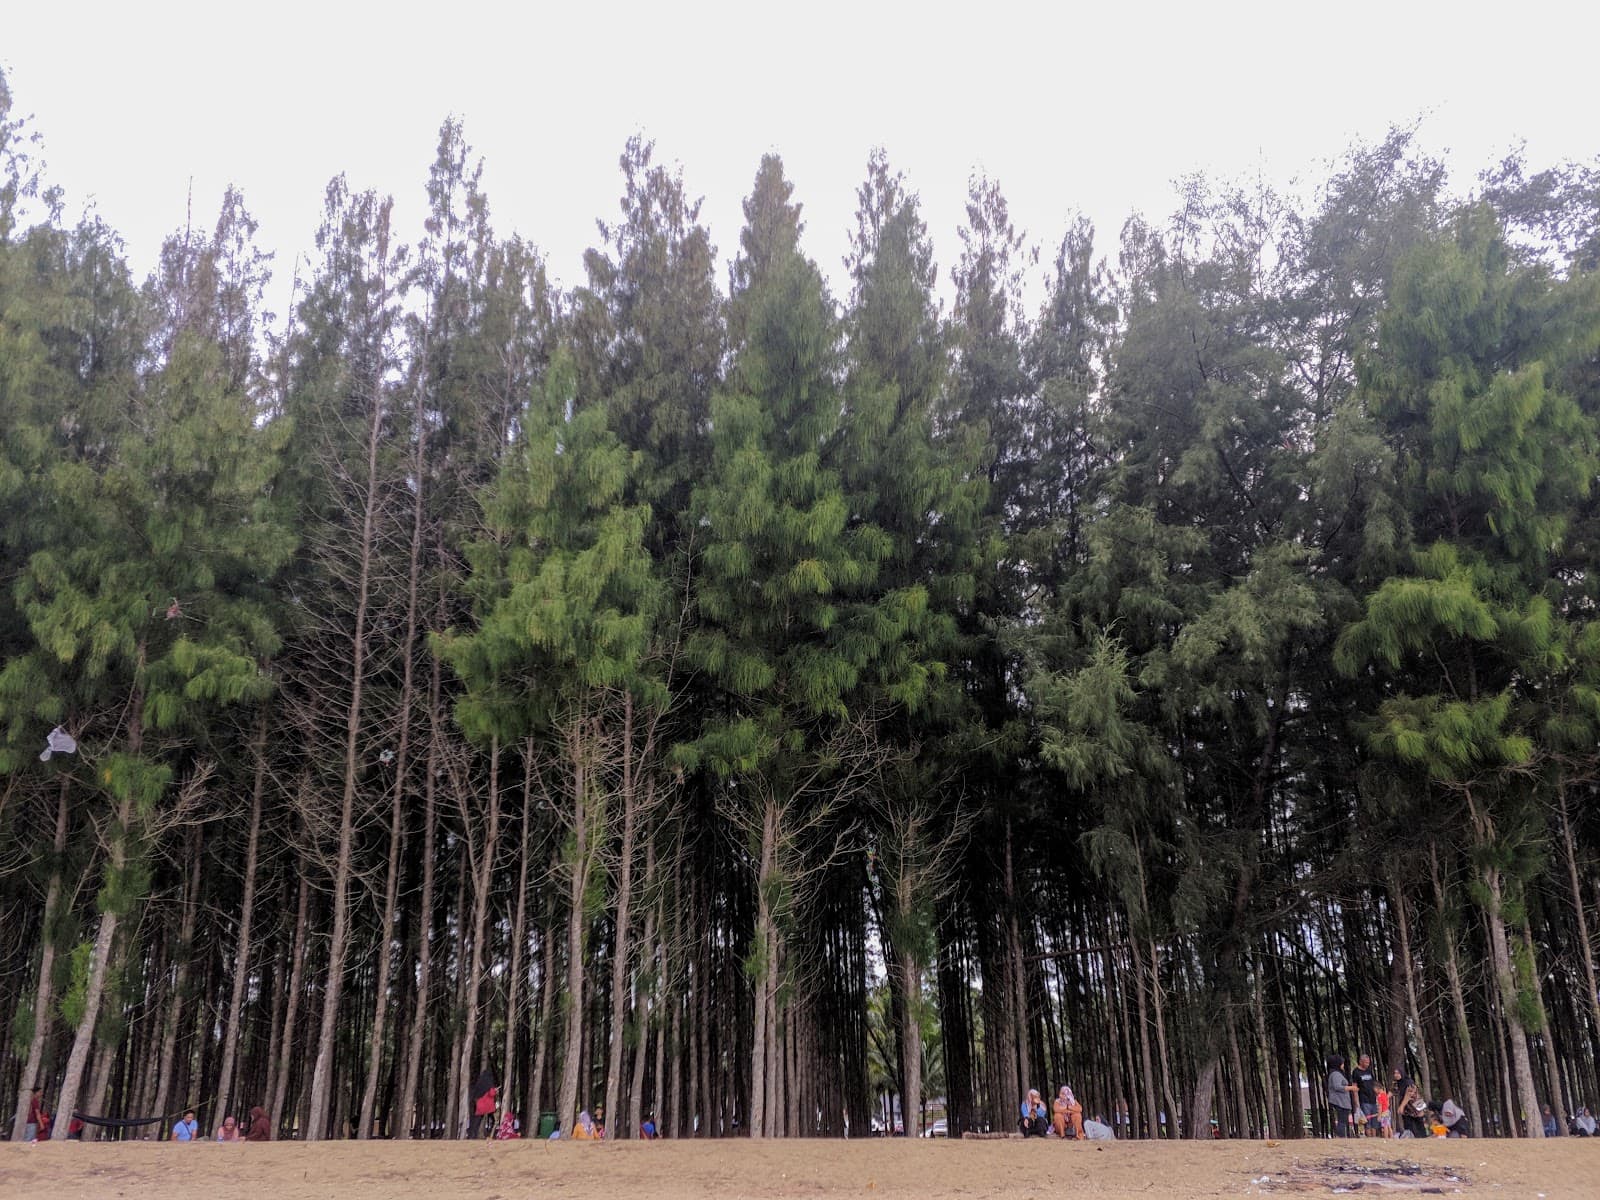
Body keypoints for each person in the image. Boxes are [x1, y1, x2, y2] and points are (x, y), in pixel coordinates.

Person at [1326, 1055, 1357, 1138]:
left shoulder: (1336, 1073)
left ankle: (1341, 1136)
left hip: (1342, 1101)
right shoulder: (1335, 1074)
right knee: (1342, 1120)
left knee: (1343, 1120)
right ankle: (1341, 1137)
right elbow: (1337, 1086)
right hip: (1339, 1101)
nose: (1343, 1065)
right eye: (1342, 1063)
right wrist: (1351, 1088)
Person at [1392, 1069, 1428, 1139]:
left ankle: (1423, 1138)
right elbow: (1392, 1091)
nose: (1396, 1075)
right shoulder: (1397, 1083)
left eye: (1398, 1073)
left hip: (1415, 1103)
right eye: (1395, 1073)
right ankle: (1410, 1138)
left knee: (1419, 1123)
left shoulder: (1409, 1082)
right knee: (1407, 1123)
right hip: (1407, 1106)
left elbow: (1409, 1096)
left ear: (1402, 1073)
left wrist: (1401, 1106)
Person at [1350, 1055, 1381, 1135]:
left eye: (1368, 1062)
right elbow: (1355, 1087)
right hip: (1364, 1100)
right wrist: (1356, 1102)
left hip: (1373, 1099)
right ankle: (1369, 1138)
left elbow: (1374, 1084)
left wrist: (1378, 1095)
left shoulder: (1369, 1071)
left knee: (1374, 1121)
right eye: (1366, 1062)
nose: (1367, 1064)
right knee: (1367, 1122)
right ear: (1361, 1061)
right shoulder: (1356, 1072)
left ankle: (1374, 1137)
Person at [470, 1070, 498, 1139]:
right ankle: (492, 1135)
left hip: (479, 1105)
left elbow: (475, 1094)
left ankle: (472, 1135)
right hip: (488, 1106)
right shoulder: (490, 1083)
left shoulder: (479, 1083)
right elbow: (491, 1094)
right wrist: (495, 1091)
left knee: (477, 1121)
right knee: (495, 1120)